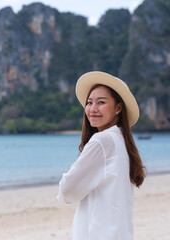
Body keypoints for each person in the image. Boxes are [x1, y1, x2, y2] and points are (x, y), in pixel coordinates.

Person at [57, 71, 146, 240]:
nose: (93, 109)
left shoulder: (102, 141)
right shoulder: (121, 140)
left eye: (101, 102)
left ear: (118, 107)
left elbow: (67, 191)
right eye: (89, 103)